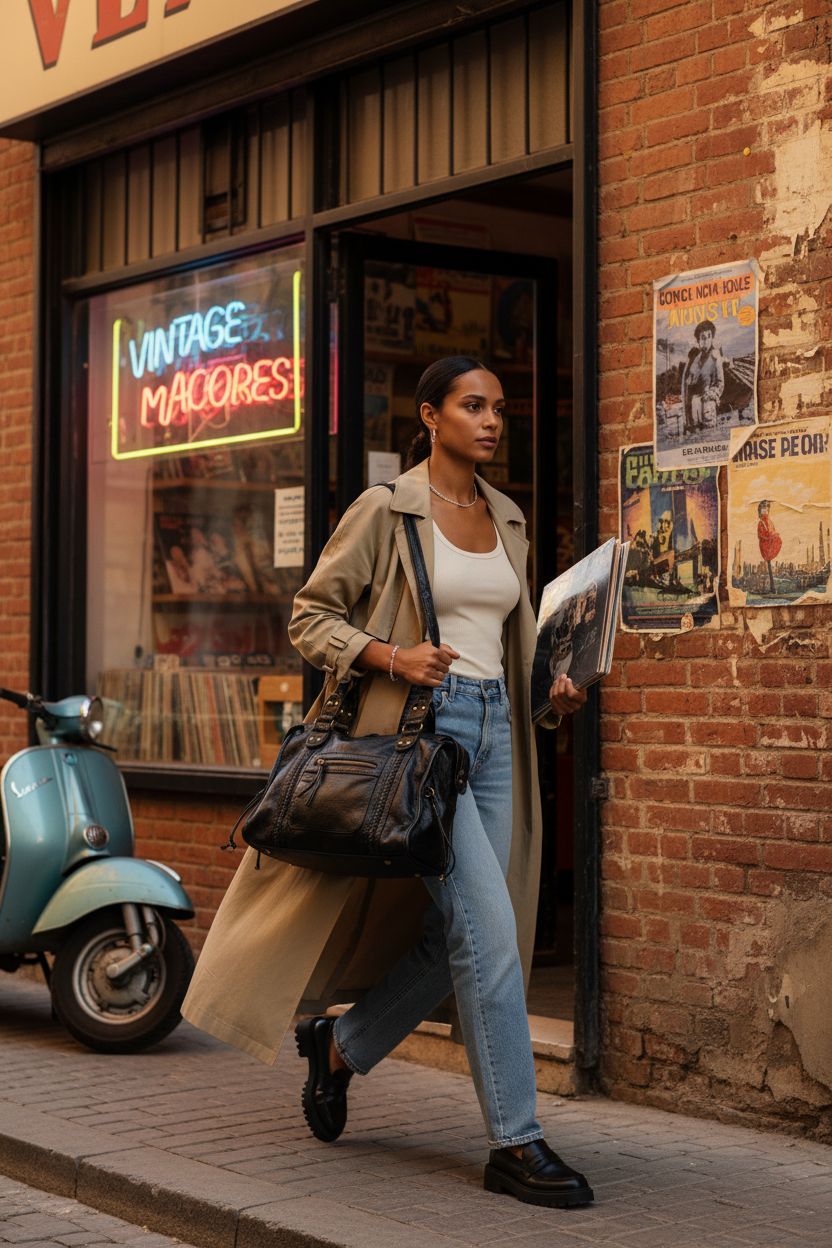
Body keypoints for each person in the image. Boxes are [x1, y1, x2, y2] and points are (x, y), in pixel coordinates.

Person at [181, 355, 592, 1209]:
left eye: (499, 408)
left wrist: (552, 692)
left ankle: (339, 1048)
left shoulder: (508, 517)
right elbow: (310, 617)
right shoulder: (387, 509)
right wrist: (392, 656)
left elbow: (508, 648)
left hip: (497, 735)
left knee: (464, 939)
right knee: (490, 935)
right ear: (430, 416)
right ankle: (515, 1141)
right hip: (423, 735)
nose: (491, 421)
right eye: (472, 406)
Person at [682, 319, 724, 435]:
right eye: (703, 338)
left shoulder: (715, 356)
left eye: (709, 336)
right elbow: (689, 384)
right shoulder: (695, 360)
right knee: (696, 435)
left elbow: (720, 383)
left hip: (708, 404)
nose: (706, 341)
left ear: (712, 338)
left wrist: (712, 394)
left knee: (709, 434)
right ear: (698, 340)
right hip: (695, 405)